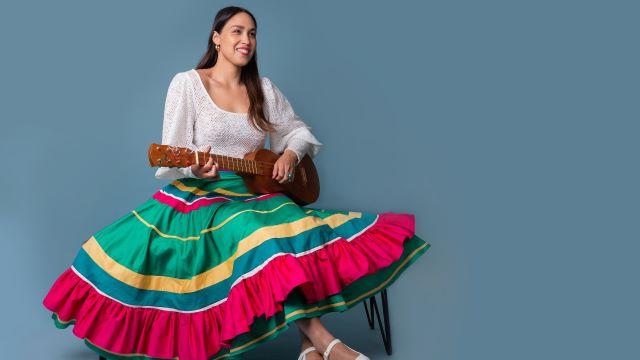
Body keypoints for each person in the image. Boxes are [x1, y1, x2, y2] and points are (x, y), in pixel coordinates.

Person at [42, 6, 430, 360]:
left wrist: (291, 156)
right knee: (257, 236)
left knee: (295, 233)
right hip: (202, 196)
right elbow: (173, 153)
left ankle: (308, 347)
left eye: (253, 33)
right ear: (216, 37)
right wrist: (196, 169)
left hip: (253, 192)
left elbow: (297, 132)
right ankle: (323, 341)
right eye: (237, 32)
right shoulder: (188, 84)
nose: (246, 40)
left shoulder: (263, 88)